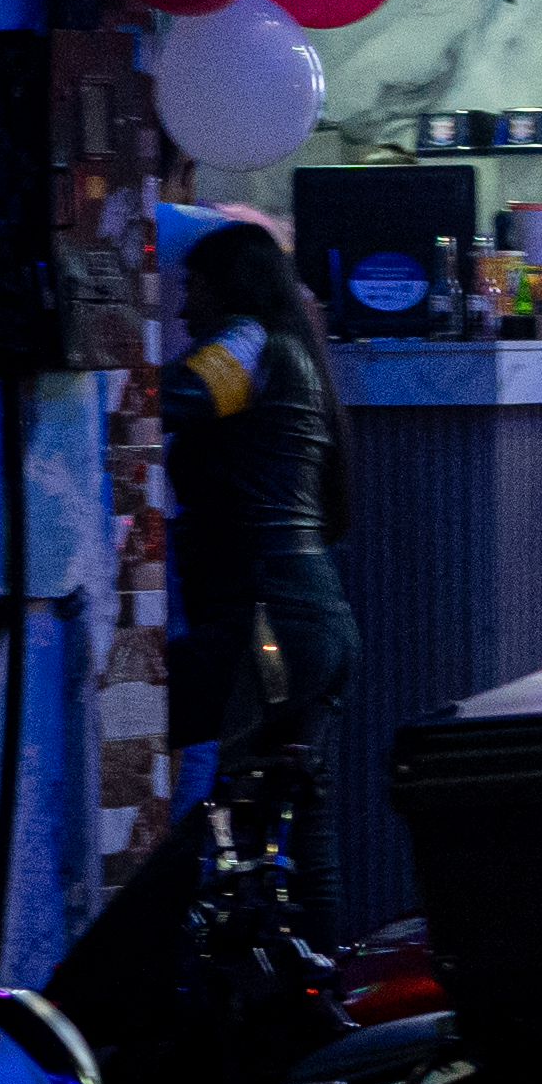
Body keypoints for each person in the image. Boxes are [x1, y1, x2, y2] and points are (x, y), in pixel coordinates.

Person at [162, 215, 356, 778]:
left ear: (228, 286)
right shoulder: (295, 355)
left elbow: (168, 397)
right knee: (288, 847)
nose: (181, 310)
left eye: (191, 288)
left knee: (119, 715)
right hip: (317, 631)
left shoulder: (249, 344)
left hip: (265, 628)